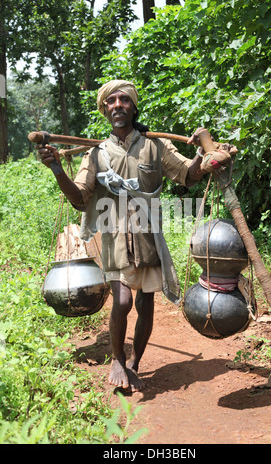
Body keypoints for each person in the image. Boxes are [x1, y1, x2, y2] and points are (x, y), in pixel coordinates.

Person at [39, 79, 232, 392]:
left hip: (148, 234)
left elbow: (188, 175)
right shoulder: (97, 154)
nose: (117, 105)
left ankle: (134, 362)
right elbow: (79, 198)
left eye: (123, 100)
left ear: (133, 106)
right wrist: (57, 170)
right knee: (123, 300)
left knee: (146, 304)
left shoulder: (155, 146)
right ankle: (117, 357)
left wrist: (201, 153)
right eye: (111, 101)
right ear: (105, 110)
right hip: (112, 234)